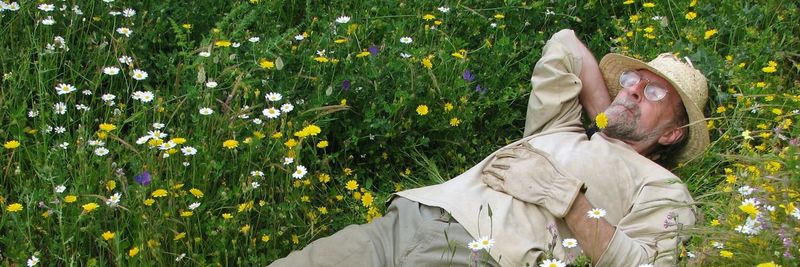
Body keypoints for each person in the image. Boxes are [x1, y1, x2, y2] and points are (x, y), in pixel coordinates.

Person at [269, 28, 709, 267]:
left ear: (671, 134)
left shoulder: (664, 188)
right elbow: (565, 43)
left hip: (480, 255)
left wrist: (569, 201)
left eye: (654, 95)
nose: (633, 91)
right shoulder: (562, 127)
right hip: (407, 221)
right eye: (632, 81)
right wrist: (605, 123)